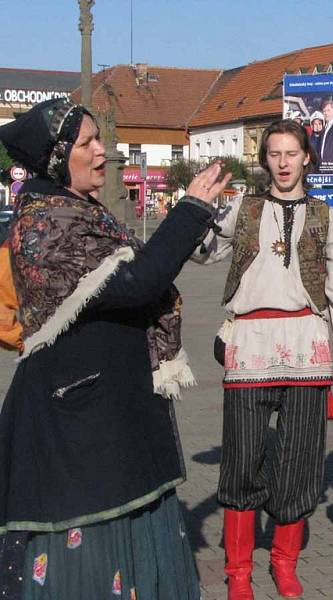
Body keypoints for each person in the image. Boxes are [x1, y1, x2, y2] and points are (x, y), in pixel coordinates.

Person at [0, 97, 227, 599]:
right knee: (90, 564)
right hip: (75, 425)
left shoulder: (83, 212)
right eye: (87, 143)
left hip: (113, 417)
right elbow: (135, 285)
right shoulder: (44, 224)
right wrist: (188, 211)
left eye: (100, 139)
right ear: (57, 157)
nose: (104, 151)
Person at [193, 119, 333, 600]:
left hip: (307, 345)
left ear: (307, 157)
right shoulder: (242, 209)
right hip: (249, 344)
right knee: (242, 462)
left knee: (298, 463)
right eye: (275, 154)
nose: (284, 162)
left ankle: (284, 563)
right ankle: (239, 573)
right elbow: (201, 253)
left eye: (292, 153)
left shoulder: (326, 217)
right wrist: (197, 209)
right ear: (265, 158)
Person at [318, 98, 333, 176]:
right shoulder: (324, 128)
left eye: (328, 110)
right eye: (324, 111)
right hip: (323, 170)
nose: (325, 113)